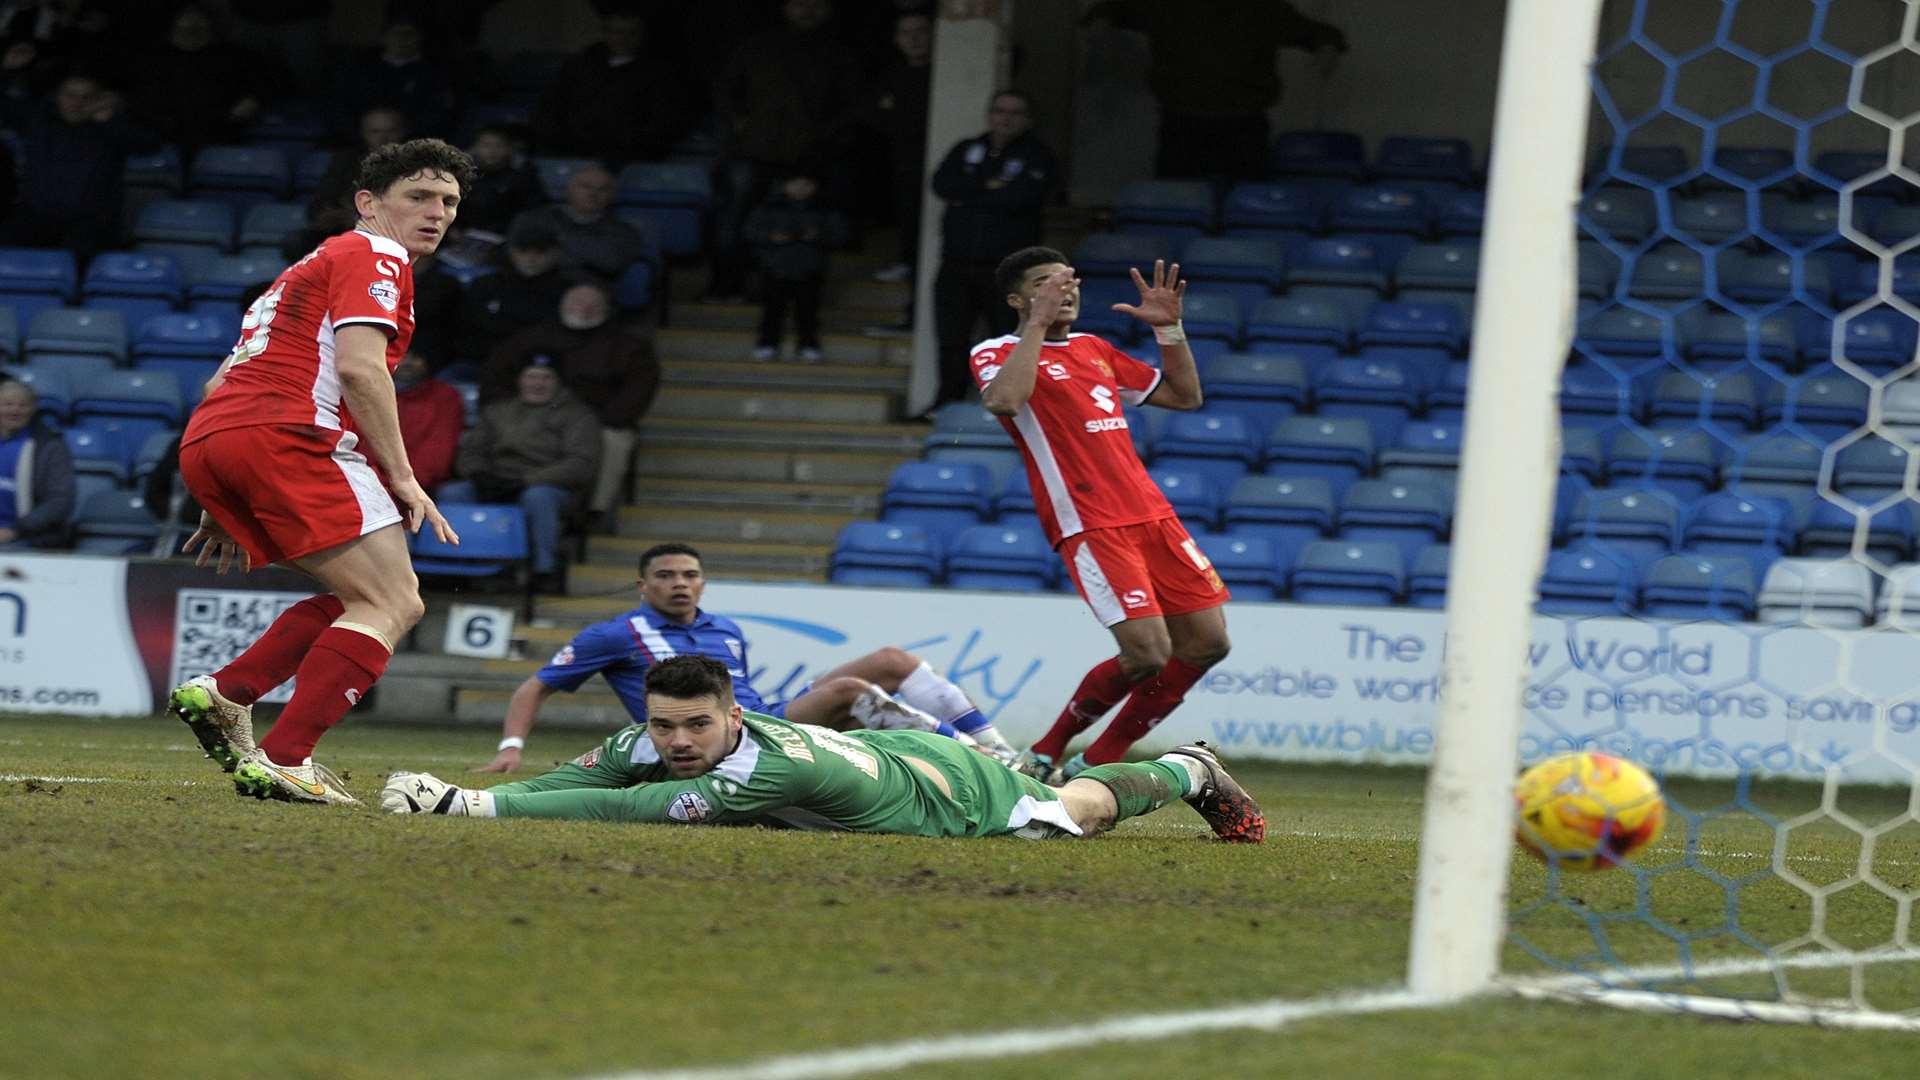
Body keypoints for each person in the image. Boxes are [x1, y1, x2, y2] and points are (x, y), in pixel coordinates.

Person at [167, 137, 476, 806]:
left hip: (217, 438)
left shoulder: (309, 265)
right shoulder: (375, 254)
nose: (438, 212)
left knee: (366, 597)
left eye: (449, 201)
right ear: (368, 202)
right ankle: (285, 757)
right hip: (288, 435)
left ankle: (227, 693)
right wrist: (403, 475)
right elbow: (362, 370)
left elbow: (219, 382)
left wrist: (215, 495)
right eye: (419, 196)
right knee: (395, 602)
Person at [385, 654, 1265, 845]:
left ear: (733, 715)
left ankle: (1187, 766)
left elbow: (627, 804)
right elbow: (592, 774)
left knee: (1081, 814)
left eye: (698, 725)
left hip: (952, 798)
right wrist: (500, 792)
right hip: (895, 769)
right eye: (665, 726)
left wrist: (469, 804)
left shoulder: (769, 768)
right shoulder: (647, 734)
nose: (678, 742)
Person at [972, 247, 1231, 782]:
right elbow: (1004, 402)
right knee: (1148, 653)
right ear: (1018, 299)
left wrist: (1171, 332)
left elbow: (1185, 397)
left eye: (1068, 281)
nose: (1062, 291)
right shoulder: (996, 351)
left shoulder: (1096, 349)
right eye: (1045, 284)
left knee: (1208, 643)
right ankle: (1045, 754)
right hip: (1090, 521)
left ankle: (1097, 760)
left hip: (1154, 516)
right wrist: (1037, 326)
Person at [475, 542, 1017, 773]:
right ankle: (981, 762)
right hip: (734, 734)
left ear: (703, 583)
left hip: (764, 716)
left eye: (689, 575)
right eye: (665, 576)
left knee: (892, 660)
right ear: (642, 585)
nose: (679, 584)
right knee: (852, 696)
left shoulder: (726, 628)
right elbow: (536, 684)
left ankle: (1003, 753)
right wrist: (512, 746)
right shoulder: (615, 634)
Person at [703, 0, 862, 302]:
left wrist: (823, 139)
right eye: (799, 3)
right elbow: (725, 90)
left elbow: (852, 106)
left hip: (810, 157)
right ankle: (725, 286)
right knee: (734, 219)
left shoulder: (840, 53)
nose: (808, 9)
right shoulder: (757, 47)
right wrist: (738, 126)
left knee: (803, 226)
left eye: (816, 4)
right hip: (751, 151)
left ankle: (793, 294)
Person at [1084, 0, 1345, 180]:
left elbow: (1316, 32)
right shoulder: (1167, 6)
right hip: (1182, 122)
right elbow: (1112, 10)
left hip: (1244, 125)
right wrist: (1100, 29)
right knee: (1178, 201)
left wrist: (1327, 48)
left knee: (1245, 203)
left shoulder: (1261, 9)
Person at [482, 282, 660, 519]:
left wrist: (603, 419)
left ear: (607, 309)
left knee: (615, 440)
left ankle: (594, 510)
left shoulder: (628, 346)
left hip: (601, 420)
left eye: (592, 305)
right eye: (577, 303)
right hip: (535, 412)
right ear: (562, 306)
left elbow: (639, 390)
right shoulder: (533, 337)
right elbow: (496, 375)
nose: (584, 309)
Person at [930, 90, 1056, 409]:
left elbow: (1024, 198)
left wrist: (971, 195)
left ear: (1027, 119)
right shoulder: (967, 149)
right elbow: (942, 185)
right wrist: (991, 189)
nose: (1006, 118)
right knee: (952, 339)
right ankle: (947, 405)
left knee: (1008, 340)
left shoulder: (1038, 155)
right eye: (1000, 110)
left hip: (1007, 271)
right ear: (989, 114)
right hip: (956, 263)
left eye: (1015, 112)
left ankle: (1007, 409)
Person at [442, 362, 600, 592]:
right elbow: (471, 451)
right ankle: (452, 564)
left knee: (538, 499)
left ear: (558, 382)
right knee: (453, 493)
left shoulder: (577, 415)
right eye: (531, 377)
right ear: (520, 380)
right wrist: (478, 474)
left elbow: (580, 464)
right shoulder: (498, 411)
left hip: (546, 485)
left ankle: (543, 569)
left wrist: (525, 481)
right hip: (495, 479)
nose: (538, 384)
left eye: (546, 378)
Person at [0, 72, 155, 259]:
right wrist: (8, 70)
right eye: (70, 95)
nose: (77, 103)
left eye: (86, 97)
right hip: (34, 220)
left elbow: (149, 145)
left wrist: (110, 122)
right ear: (57, 96)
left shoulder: (112, 129)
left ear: (99, 99)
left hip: (90, 227)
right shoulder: (38, 121)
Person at [533, 7, 691, 166]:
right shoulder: (579, 66)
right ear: (606, 33)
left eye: (631, 33)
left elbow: (662, 124)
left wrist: (628, 147)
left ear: (642, 35)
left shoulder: (660, 74)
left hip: (632, 159)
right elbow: (551, 108)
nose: (622, 39)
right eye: (616, 32)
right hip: (571, 153)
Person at [127, 3, 265, 159]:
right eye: (186, 16)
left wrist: (252, 100)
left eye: (200, 17)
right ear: (173, 22)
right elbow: (140, 103)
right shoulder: (152, 60)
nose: (193, 22)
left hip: (220, 137)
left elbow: (265, 84)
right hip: (164, 139)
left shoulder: (233, 57)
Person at [744, 170, 847, 362]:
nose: (800, 188)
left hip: (809, 268)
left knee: (807, 311)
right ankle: (767, 344)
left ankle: (808, 345)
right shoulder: (768, 206)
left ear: (815, 187)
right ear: (784, 185)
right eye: (795, 183)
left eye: (806, 184)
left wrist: (818, 236)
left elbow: (839, 235)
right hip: (775, 267)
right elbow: (750, 231)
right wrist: (771, 237)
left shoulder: (825, 208)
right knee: (772, 311)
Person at [863, 10, 931, 286]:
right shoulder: (892, 75)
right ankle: (907, 262)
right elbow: (875, 112)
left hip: (934, 156)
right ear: (897, 40)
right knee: (907, 210)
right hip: (904, 157)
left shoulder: (946, 74)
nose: (914, 39)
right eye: (906, 33)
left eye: (921, 31)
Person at [454, 217, 575, 364]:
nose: (531, 258)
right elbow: (467, 328)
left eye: (541, 251)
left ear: (556, 253)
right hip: (481, 360)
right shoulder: (485, 284)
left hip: (542, 364)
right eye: (523, 250)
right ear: (511, 252)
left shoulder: (568, 291)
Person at [509, 164, 653, 282]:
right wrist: (581, 254)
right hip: (527, 286)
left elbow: (610, 262)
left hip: (584, 297)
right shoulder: (532, 218)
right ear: (570, 189)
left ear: (612, 195)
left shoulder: (623, 231)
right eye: (586, 187)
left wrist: (554, 243)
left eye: (603, 189)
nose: (593, 194)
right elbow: (511, 253)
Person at [0, 379, 74, 550]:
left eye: (22, 405)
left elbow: (60, 501)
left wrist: (14, 530)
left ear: (33, 409)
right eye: (7, 404)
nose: (14, 410)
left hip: (27, 536)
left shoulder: (50, 446)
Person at [307, 105, 408, 228]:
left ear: (402, 132)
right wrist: (330, 215)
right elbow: (319, 205)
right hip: (344, 231)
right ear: (363, 133)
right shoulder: (345, 162)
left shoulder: (420, 165)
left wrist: (356, 217)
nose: (383, 138)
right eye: (375, 132)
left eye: (391, 131)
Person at [392, 350, 462, 492]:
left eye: (416, 357)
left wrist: (402, 482)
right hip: (372, 482)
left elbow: (438, 451)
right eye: (402, 355)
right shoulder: (369, 392)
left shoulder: (445, 396)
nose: (407, 363)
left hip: (422, 485)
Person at [455, 125, 540, 238]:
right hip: (466, 236)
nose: (492, 151)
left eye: (499, 146)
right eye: (486, 145)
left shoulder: (523, 175)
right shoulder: (460, 173)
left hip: (509, 238)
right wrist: (454, 229)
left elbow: (532, 211)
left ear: (509, 149)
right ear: (475, 148)